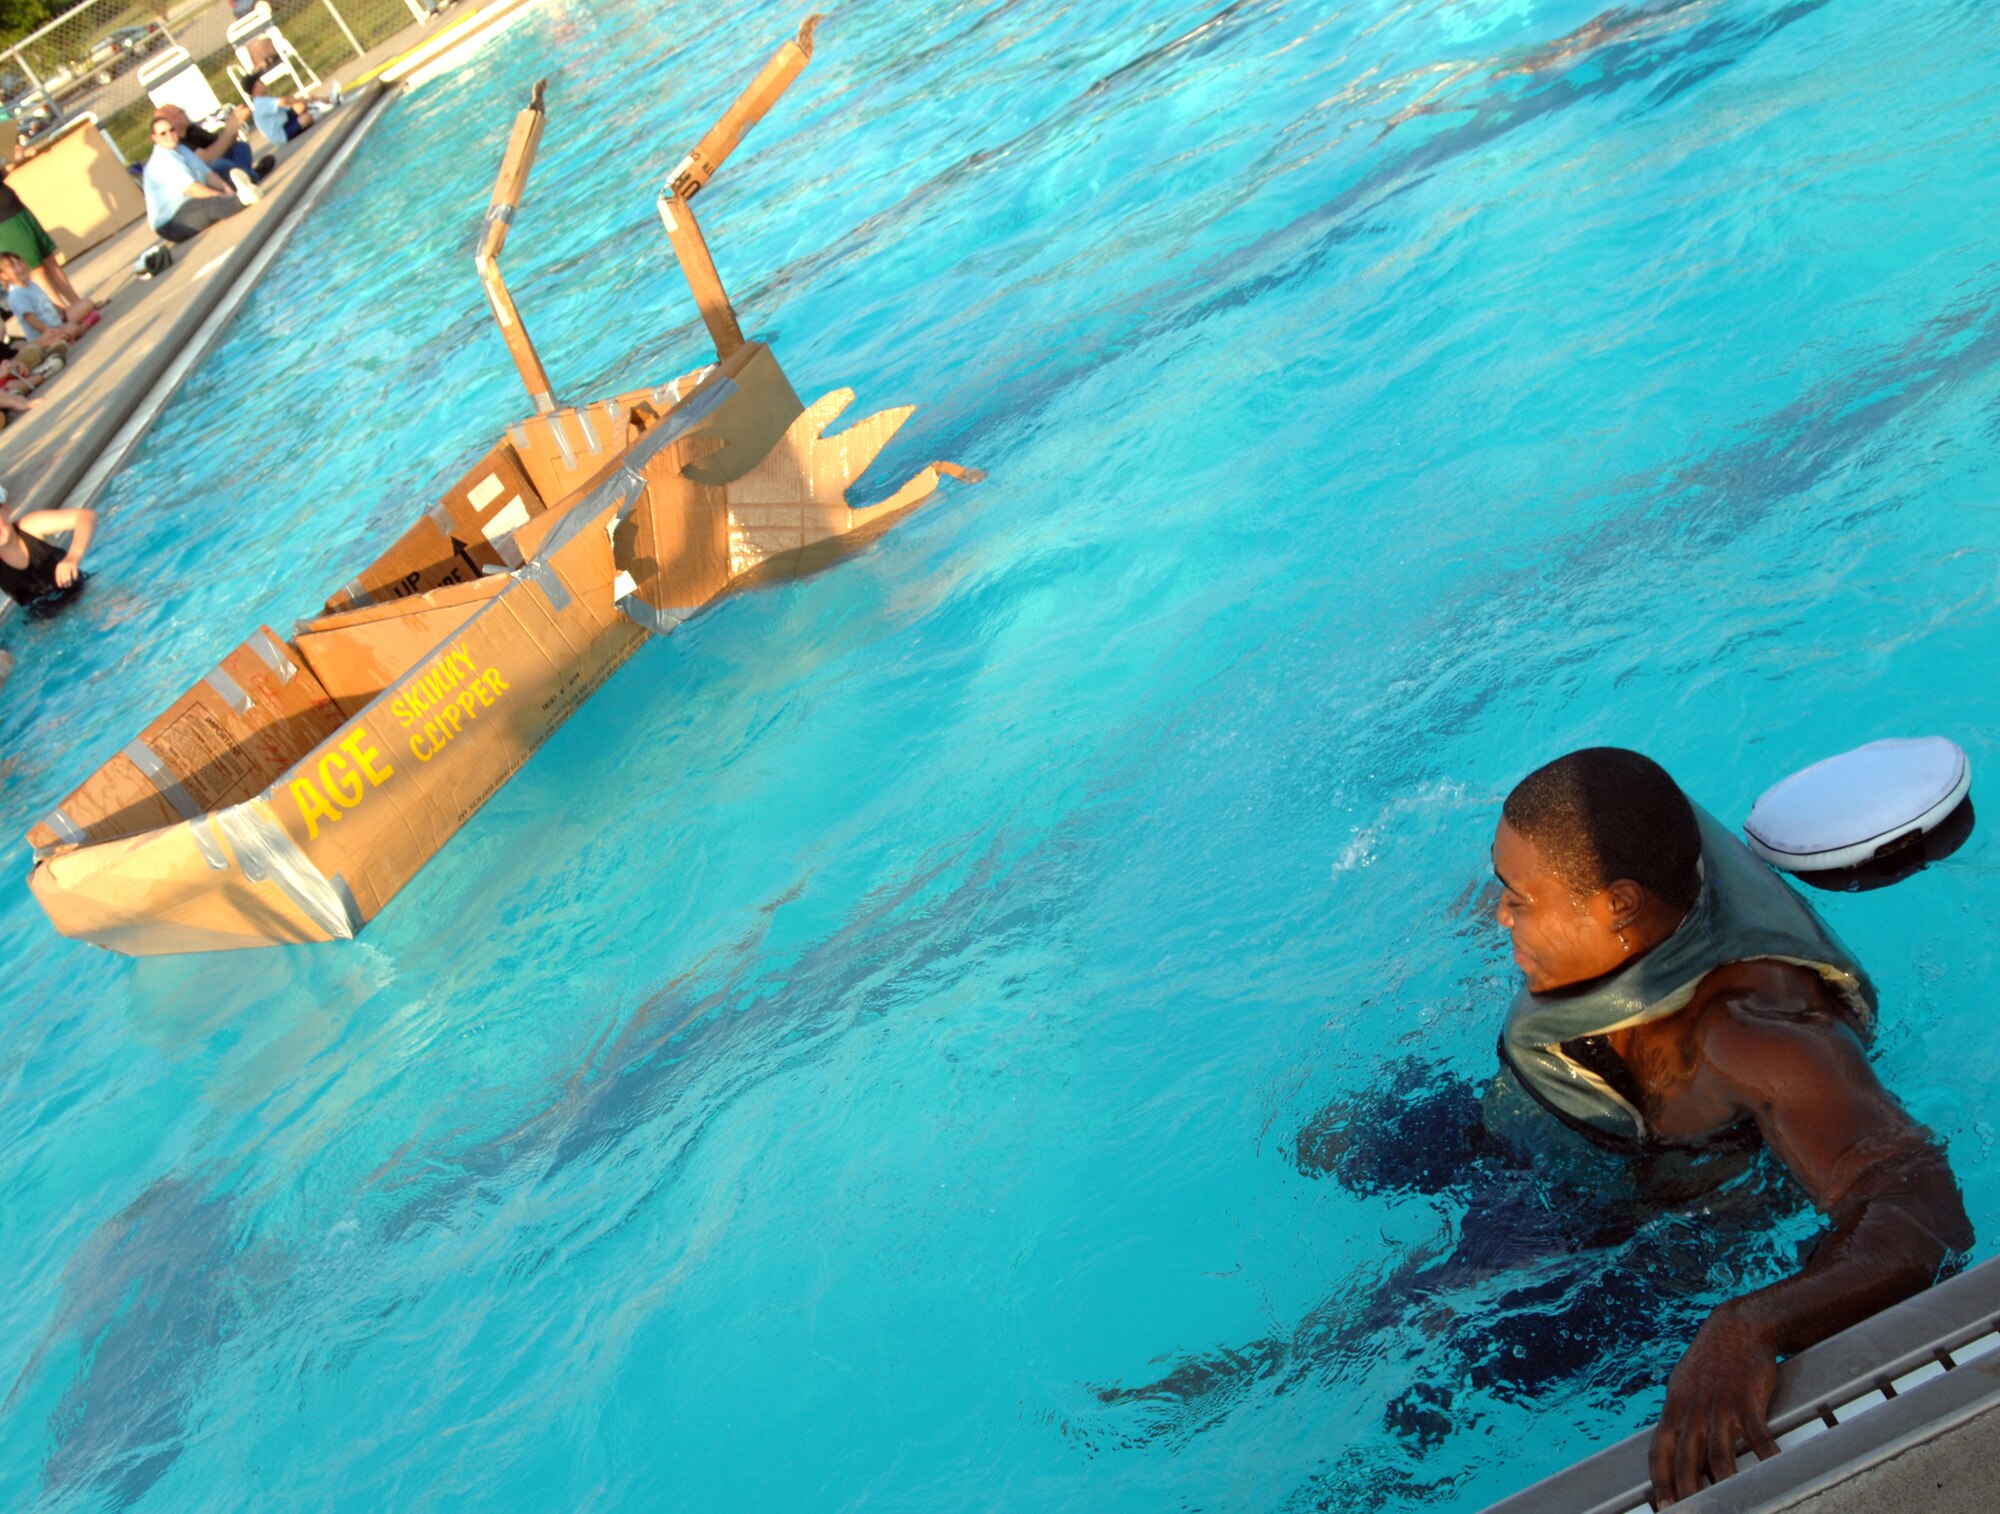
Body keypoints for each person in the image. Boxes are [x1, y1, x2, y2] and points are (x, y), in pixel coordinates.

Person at [1491, 747, 1971, 1504]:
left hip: (1666, 1227)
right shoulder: (1639, 849)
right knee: (1336, 1144)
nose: (1499, 917)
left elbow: (1923, 1212)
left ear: (1617, 904)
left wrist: (1750, 1326)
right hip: (1559, 1128)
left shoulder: (1754, 1038)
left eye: (1518, 898)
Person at [142, 113, 259, 244]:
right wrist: (225, 196)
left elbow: (207, 174)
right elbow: (193, 190)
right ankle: (243, 200)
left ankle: (252, 177)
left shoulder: (181, 149)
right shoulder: (163, 159)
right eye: (163, 133)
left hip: (191, 201)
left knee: (224, 175)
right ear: (155, 138)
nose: (170, 135)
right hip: (173, 221)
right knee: (209, 205)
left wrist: (226, 189)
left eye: (171, 130)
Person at [0, 501, 96, 615]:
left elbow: (86, 516)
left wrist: (73, 557)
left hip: (83, 591)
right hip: (46, 621)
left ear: (5, 508)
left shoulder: (30, 527)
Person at [153, 103, 275, 186]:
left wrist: (235, 124)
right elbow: (207, 158)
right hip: (205, 178)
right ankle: (253, 176)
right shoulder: (176, 143)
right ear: (174, 119)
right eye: (181, 112)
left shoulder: (191, 130)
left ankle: (245, 178)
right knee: (218, 164)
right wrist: (228, 131)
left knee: (240, 147)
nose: (185, 113)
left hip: (221, 170)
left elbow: (223, 143)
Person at [0, 251, 97, 344]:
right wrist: (49, 331)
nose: (19, 268)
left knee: (87, 303)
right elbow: (31, 319)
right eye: (13, 267)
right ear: (4, 275)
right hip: (43, 333)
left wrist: (62, 311)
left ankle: (71, 330)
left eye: (19, 263)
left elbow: (46, 302)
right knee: (73, 328)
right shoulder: (17, 294)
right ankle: (83, 327)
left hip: (57, 321)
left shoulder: (30, 284)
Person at [241, 68, 341, 147]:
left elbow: (290, 106)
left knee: (300, 105)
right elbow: (284, 101)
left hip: (284, 121)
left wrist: (304, 101)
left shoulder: (262, 100)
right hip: (282, 135)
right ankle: (321, 107)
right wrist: (305, 100)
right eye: (260, 81)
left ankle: (327, 101)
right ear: (255, 88)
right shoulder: (260, 103)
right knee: (306, 117)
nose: (263, 82)